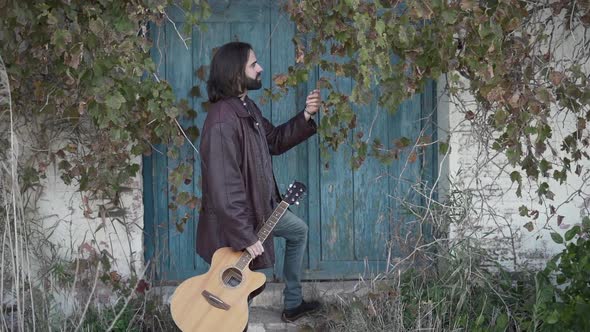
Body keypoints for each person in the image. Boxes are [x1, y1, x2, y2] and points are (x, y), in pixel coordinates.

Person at [196, 41, 321, 323]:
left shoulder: (246, 107)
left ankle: (292, 304)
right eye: (254, 64)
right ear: (235, 73)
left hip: (262, 211)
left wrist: (306, 116)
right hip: (238, 221)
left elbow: (273, 140)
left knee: (298, 231)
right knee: (240, 288)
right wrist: (245, 235)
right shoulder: (221, 121)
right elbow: (224, 188)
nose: (260, 67)